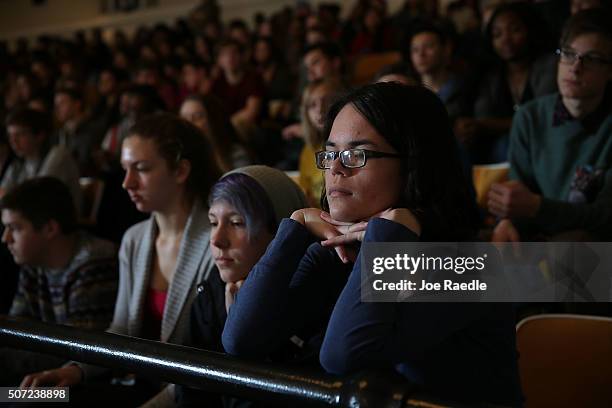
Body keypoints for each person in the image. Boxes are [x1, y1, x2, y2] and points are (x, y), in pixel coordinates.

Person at [222, 83, 521, 406]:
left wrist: (390, 232)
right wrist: (296, 225)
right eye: (332, 153)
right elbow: (241, 339)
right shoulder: (338, 253)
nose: (335, 169)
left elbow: (342, 354)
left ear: (412, 165)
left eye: (355, 154)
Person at [21, 113, 223, 407]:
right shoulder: (135, 238)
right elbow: (122, 330)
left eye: (141, 169)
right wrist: (75, 370)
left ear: (180, 171)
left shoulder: (216, 242)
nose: (127, 182)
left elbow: (207, 362)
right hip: (130, 386)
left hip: (181, 395)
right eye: (125, 169)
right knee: (19, 397)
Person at [176, 165, 307, 407]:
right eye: (213, 222)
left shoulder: (308, 298)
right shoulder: (210, 293)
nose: (217, 240)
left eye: (237, 223)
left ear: (281, 233)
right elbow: (190, 391)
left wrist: (245, 325)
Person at [489, 9, 612, 242]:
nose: (575, 68)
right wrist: (508, 220)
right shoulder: (529, 117)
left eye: (592, 59)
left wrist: (537, 207)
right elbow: (519, 194)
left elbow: (605, 217)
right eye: (568, 54)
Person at [0, 177, 117, 384]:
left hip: (85, 385)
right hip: (44, 376)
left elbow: (78, 349)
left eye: (15, 228)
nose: (5, 238)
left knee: (16, 401)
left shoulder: (94, 262)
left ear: (50, 229)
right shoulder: (33, 261)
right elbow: (17, 332)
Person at [455, 2, 558, 164]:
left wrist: (484, 125)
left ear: (530, 30)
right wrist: (468, 127)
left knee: (506, 144)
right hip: (499, 146)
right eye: (497, 34)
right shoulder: (491, 73)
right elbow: (483, 115)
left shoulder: (548, 64)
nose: (506, 39)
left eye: (515, 30)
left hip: (543, 139)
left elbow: (540, 117)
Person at [1, 108, 81, 211]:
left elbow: (38, 197)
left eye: (20, 134)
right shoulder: (19, 163)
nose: (13, 141)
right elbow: (3, 194)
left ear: (40, 135)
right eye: (10, 136)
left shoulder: (58, 155)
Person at [298, 78, 344, 207]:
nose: (319, 110)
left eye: (327, 102)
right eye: (312, 105)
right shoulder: (308, 151)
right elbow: (306, 196)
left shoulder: (350, 146)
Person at [179, 94, 251, 172]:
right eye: (184, 117)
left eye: (197, 116)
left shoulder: (236, 154)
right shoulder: (181, 156)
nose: (188, 123)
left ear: (214, 120)